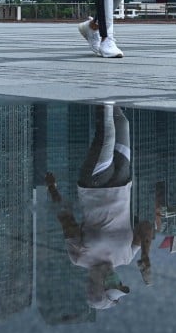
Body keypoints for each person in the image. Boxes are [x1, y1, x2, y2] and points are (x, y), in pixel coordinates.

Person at [45, 102, 155, 310]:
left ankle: (100, 80)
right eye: (119, 284)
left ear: (97, 286)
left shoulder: (79, 258)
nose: (116, 281)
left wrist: (52, 189)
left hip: (94, 185)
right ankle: (106, 87)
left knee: (107, 133)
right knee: (122, 123)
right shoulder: (126, 256)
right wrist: (146, 254)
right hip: (122, 181)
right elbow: (146, 226)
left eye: (112, 285)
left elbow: (66, 219)